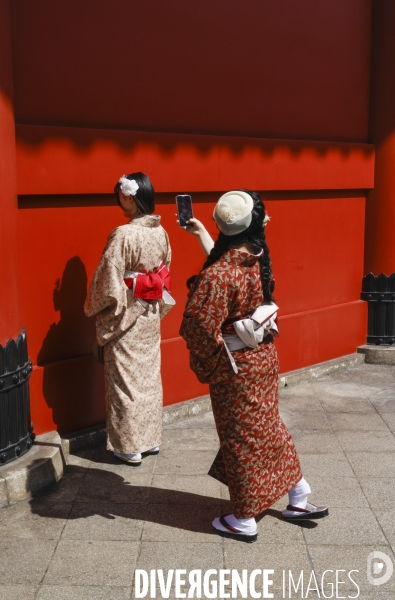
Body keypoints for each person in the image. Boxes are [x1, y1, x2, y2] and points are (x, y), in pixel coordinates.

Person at [180, 190, 328, 543]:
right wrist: (203, 235)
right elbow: (225, 271)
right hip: (263, 356)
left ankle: (244, 517)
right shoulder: (255, 255)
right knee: (268, 428)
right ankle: (299, 493)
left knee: (241, 438)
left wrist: (213, 360)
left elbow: (198, 326)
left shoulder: (219, 274)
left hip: (236, 365)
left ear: (221, 226)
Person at [84, 172, 174, 467]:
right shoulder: (160, 232)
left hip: (126, 316)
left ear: (128, 197)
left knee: (125, 380)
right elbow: (164, 271)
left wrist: (96, 306)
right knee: (147, 377)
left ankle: (130, 447)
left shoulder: (123, 234)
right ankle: (151, 440)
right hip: (149, 312)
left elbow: (108, 281)